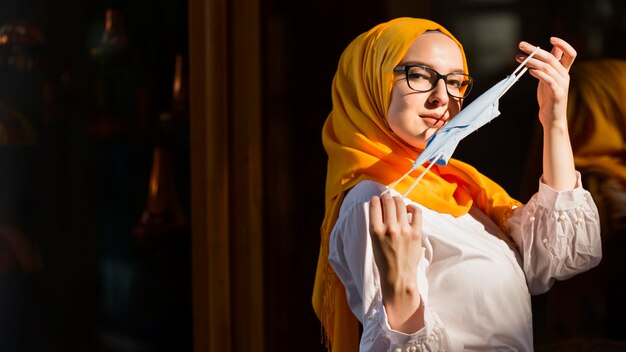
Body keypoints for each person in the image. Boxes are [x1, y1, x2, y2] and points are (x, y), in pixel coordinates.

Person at [311, 17, 602, 351]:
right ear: (370, 83)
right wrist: (401, 291)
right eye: (418, 75)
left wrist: (553, 120)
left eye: (456, 82)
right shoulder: (375, 200)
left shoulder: (457, 187)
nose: (442, 98)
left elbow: (561, 256)